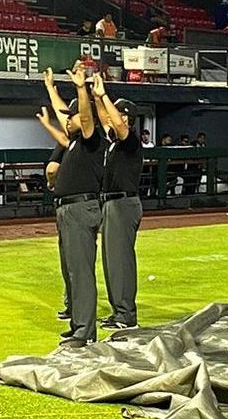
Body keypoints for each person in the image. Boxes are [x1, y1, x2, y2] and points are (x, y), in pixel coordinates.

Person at [42, 62, 105, 348]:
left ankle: (85, 331)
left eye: (74, 116)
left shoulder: (92, 140)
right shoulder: (75, 141)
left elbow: (85, 117)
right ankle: (78, 325)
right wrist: (50, 89)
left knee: (81, 272)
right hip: (69, 210)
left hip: (81, 209)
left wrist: (81, 89)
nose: (69, 121)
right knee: (72, 271)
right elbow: (64, 115)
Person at [90, 75, 142, 331]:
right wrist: (97, 97)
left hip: (123, 203)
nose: (111, 118)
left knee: (120, 260)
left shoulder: (130, 141)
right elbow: (105, 119)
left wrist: (104, 96)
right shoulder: (114, 143)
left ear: (126, 118)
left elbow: (119, 126)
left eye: (117, 114)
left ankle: (126, 315)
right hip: (111, 204)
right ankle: (118, 311)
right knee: (111, 261)